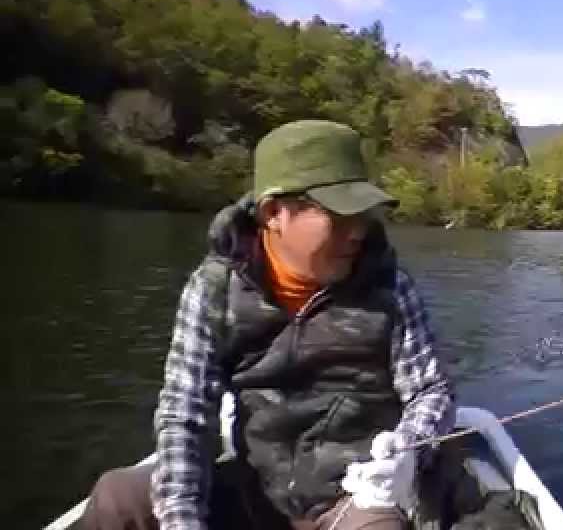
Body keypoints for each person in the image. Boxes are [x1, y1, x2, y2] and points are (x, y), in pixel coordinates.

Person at [81, 120, 455, 530]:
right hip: (253, 488)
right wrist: (181, 519)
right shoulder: (213, 290)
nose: (358, 233)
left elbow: (431, 392)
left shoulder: (391, 287)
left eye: (363, 216)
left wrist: (407, 450)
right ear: (274, 212)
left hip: (355, 498)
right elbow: (185, 416)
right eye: (340, 216)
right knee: (118, 498)